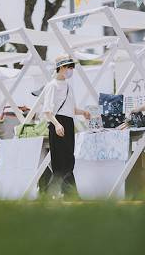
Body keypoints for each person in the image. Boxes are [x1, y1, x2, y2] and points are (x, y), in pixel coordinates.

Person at [41, 56, 91, 198]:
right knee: (62, 160)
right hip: (58, 123)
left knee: (68, 159)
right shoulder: (52, 85)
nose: (71, 70)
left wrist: (83, 112)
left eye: (72, 67)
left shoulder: (68, 87)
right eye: (69, 67)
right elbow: (47, 110)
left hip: (68, 123)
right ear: (61, 68)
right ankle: (70, 194)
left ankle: (54, 192)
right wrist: (57, 125)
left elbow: (71, 109)